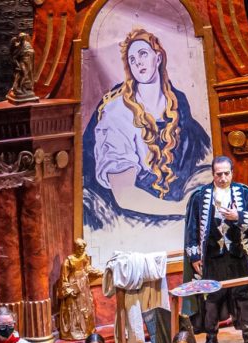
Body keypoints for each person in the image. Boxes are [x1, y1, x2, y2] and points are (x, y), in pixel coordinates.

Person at [82, 28, 211, 228]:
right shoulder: (117, 114)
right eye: (132, 60)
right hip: (129, 215)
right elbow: (125, 196)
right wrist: (181, 209)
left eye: (143, 54)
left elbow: (203, 155)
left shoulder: (178, 104)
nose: (138, 62)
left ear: (158, 58)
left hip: (178, 202)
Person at [184, 156, 248, 343]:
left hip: (239, 256)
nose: (223, 178)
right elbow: (192, 228)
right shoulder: (200, 196)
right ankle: (211, 338)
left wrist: (238, 216)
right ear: (213, 174)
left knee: (243, 297)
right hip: (213, 257)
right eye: (218, 174)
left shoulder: (245, 193)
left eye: (226, 173)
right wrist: (195, 257)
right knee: (212, 297)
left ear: (231, 172)